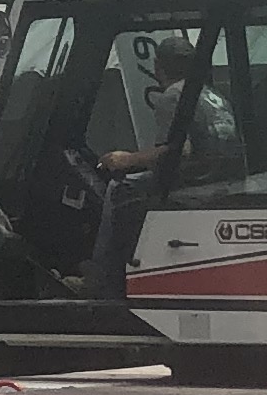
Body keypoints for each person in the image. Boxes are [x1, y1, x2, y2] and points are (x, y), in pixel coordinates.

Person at [85, 33, 244, 300]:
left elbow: (177, 152)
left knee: (119, 189)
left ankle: (103, 277)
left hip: (195, 179)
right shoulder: (212, 95)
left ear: (159, 67)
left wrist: (126, 159)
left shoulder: (172, 96)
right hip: (221, 176)